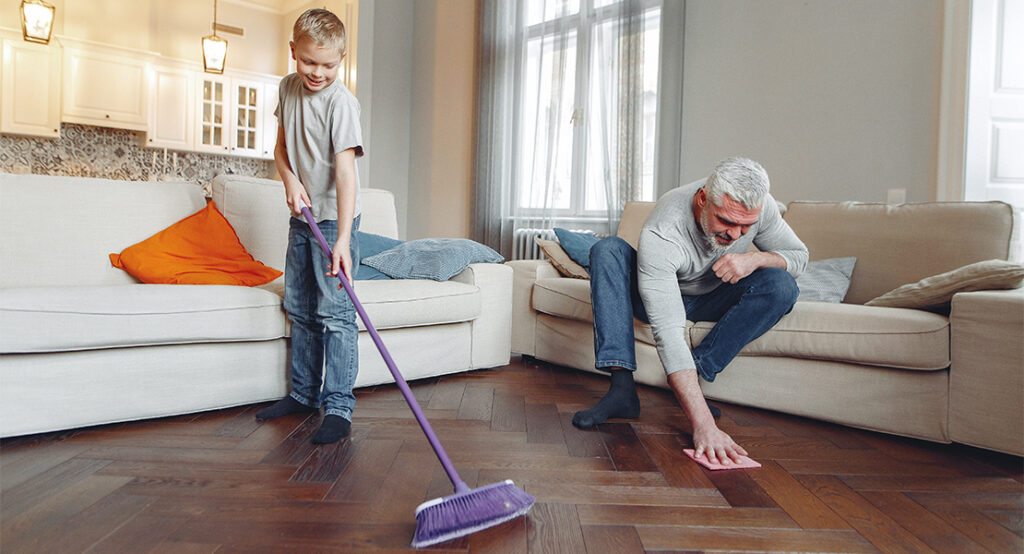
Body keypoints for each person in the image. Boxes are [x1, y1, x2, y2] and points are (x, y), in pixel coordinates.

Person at [572, 157, 808, 465]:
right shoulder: (664, 230)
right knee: (607, 250)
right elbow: (669, 333)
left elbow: (799, 257)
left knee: (782, 285)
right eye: (726, 222)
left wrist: (755, 259)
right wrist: (704, 427)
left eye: (746, 226)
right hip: (653, 293)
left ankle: (695, 375)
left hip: (712, 294)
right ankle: (621, 390)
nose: (736, 235)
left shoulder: (760, 209)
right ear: (702, 200)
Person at [254, 8, 364, 445]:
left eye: (329, 64)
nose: (318, 73)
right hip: (302, 219)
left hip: (335, 219)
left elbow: (345, 173)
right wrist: (290, 179)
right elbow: (280, 149)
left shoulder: (342, 103)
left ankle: (338, 408)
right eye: (308, 62)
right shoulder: (286, 88)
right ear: (293, 52)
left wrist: (341, 240)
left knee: (335, 315)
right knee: (300, 309)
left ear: (341, 59)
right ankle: (303, 394)